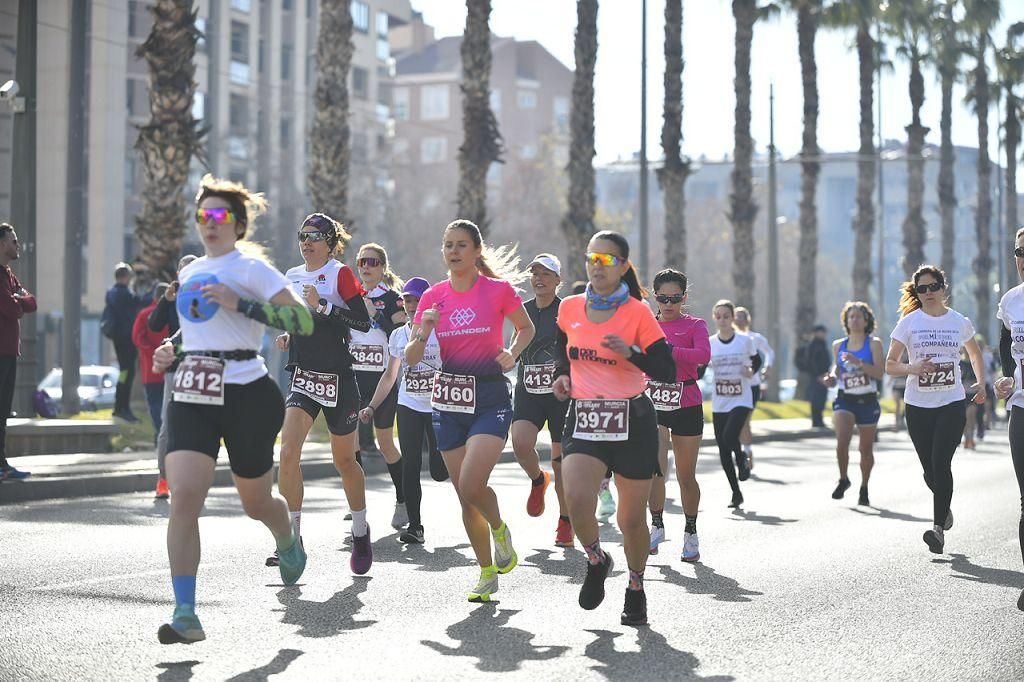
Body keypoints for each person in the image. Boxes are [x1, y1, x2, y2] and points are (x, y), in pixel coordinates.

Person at [151, 174, 314, 644]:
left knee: (255, 502)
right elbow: (198, 335)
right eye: (204, 215)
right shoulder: (191, 272)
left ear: (239, 224)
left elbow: (301, 320)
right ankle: (186, 613)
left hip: (246, 391)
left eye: (220, 215)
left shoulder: (253, 271)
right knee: (183, 497)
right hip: (193, 393)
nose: (210, 223)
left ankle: (286, 537)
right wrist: (172, 352)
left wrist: (242, 303)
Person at [405, 219, 535, 603]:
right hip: (447, 399)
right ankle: (486, 571)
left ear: (477, 250)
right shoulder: (432, 296)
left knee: (471, 483)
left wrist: (512, 353)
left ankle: (499, 529)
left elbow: (524, 328)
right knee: (465, 498)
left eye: (461, 244)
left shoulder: (497, 291)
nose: (453, 251)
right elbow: (412, 357)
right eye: (448, 245)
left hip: (490, 397)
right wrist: (423, 332)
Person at [552, 230, 675, 627]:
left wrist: (632, 354)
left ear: (622, 265)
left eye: (606, 260)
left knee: (630, 519)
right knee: (576, 495)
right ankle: (596, 558)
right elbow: (562, 350)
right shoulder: (569, 306)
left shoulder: (637, 312)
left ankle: (636, 586)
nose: (596, 266)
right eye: (592, 258)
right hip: (586, 416)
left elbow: (666, 369)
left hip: (631, 420)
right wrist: (561, 376)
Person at [270, 213, 375, 571]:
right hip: (304, 375)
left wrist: (324, 305)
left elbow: (363, 322)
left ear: (330, 242)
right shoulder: (292, 276)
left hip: (339, 378)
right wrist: (289, 333)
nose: (307, 242)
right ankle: (291, 540)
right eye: (303, 235)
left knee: (345, 461)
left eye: (315, 236)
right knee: (287, 453)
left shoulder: (339, 273)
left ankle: (360, 532)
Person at [885, 264, 985, 555]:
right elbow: (890, 365)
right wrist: (911, 368)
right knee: (929, 471)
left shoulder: (958, 321)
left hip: (951, 403)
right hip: (918, 406)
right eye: (922, 289)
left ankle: (938, 530)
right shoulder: (909, 322)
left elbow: (975, 354)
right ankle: (945, 505)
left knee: (941, 464)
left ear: (943, 288)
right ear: (917, 292)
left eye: (932, 287)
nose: (928, 293)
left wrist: (979, 383)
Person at [359, 277, 448, 545]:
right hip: (408, 404)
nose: (411, 305)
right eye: (408, 300)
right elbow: (389, 376)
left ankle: (454, 460)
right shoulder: (398, 335)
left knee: (439, 471)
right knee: (410, 463)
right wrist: (372, 406)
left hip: (438, 406)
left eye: (417, 300)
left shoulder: (441, 332)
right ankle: (416, 525)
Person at [645, 269, 709, 561]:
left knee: (685, 476)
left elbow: (702, 357)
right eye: (662, 298)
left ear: (684, 297)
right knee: (655, 471)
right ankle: (656, 526)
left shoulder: (695, 325)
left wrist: (670, 350)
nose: (668, 304)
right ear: (654, 296)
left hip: (687, 403)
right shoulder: (645, 325)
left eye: (675, 298)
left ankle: (691, 532)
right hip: (654, 402)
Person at [510, 254, 572, 546]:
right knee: (521, 444)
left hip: (560, 394)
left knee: (561, 464)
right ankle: (538, 480)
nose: (539, 279)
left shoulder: (568, 311)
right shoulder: (522, 310)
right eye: (534, 273)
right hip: (528, 390)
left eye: (546, 274)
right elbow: (516, 347)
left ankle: (565, 520)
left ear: (558, 280)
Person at [351, 243, 408, 529]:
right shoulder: (348, 296)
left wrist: (375, 314)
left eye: (372, 262)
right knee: (351, 444)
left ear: (382, 267)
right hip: (354, 378)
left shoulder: (393, 298)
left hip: (382, 381)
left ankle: (402, 499)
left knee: (385, 443)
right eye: (361, 262)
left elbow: (402, 334)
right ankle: (356, 502)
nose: (365, 267)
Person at [822, 301, 884, 505]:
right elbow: (837, 368)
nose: (855, 320)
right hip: (845, 399)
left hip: (867, 401)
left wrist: (859, 363)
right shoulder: (838, 345)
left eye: (859, 316)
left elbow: (879, 373)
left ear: (866, 321)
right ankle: (843, 479)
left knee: (865, 450)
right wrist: (831, 377)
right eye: (851, 317)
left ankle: (864, 487)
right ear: (846, 321)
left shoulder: (874, 343)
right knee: (842, 440)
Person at [148, 255, 198, 499]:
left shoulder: (205, 294)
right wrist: (164, 301)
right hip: (175, 367)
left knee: (198, 423)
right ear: (178, 274)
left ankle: (190, 478)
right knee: (168, 424)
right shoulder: (172, 296)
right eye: (184, 270)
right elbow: (154, 325)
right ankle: (163, 478)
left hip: (200, 367)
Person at [994, 228, 1024, 611]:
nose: (1023, 258)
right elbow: (1006, 343)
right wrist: (1006, 376)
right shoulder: (1012, 301)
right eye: (1019, 251)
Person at [708, 300, 759, 509]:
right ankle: (736, 492)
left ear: (732, 318)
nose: (722, 320)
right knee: (722, 449)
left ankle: (742, 457)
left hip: (741, 398)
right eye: (718, 316)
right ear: (714, 318)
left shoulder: (744, 341)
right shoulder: (710, 342)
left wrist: (751, 371)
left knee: (730, 436)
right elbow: (701, 366)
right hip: (720, 400)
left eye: (726, 316)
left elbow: (757, 361)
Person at [0, 223, 36, 481]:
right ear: (1, 244)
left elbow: (31, 303)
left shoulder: (9, 274)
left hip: (10, 351)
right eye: (13, 240)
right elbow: (11, 310)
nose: (17, 244)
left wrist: (17, 297)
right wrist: (17, 299)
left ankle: (2, 465)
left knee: (3, 411)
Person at [104, 262, 146, 422]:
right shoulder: (124, 294)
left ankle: (119, 406)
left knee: (124, 372)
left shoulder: (112, 292)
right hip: (127, 339)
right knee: (127, 372)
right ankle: (123, 408)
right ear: (126, 277)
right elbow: (140, 301)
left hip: (118, 338)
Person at [734, 306, 773, 469]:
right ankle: (741, 451)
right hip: (734, 386)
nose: (739, 320)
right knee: (734, 422)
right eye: (736, 317)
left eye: (742, 317)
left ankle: (747, 452)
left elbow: (770, 352)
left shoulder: (755, 338)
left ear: (748, 319)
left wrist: (768, 367)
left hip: (752, 385)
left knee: (744, 421)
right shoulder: (729, 338)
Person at [133, 284, 170, 453]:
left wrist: (151, 352)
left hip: (151, 368)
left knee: (154, 403)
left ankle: (159, 433)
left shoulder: (144, 314)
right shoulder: (175, 312)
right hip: (171, 366)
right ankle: (167, 434)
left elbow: (137, 337)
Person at [805, 324, 831, 428]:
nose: (824, 334)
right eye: (822, 332)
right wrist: (817, 375)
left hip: (824, 375)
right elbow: (811, 362)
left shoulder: (823, 344)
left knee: (822, 399)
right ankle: (816, 421)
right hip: (816, 377)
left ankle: (820, 420)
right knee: (816, 399)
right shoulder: (813, 345)